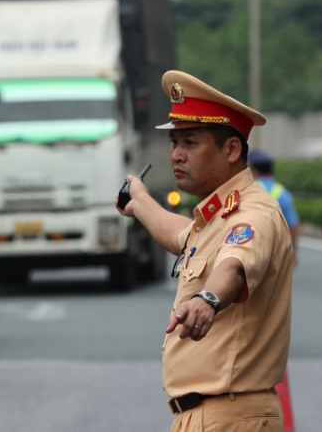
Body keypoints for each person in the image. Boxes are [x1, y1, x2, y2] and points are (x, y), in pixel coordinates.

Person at [116, 71, 293, 432]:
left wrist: (207, 299)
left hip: (230, 417)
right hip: (207, 416)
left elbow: (233, 263)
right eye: (174, 142)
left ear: (231, 149)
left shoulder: (252, 213)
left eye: (190, 143)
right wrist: (141, 203)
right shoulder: (218, 217)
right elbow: (181, 235)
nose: (176, 155)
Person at [249, 150, 301, 268]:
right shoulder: (283, 193)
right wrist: (294, 249)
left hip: (251, 247)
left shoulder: (249, 190)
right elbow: (293, 225)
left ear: (254, 171)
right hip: (278, 250)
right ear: (272, 171)